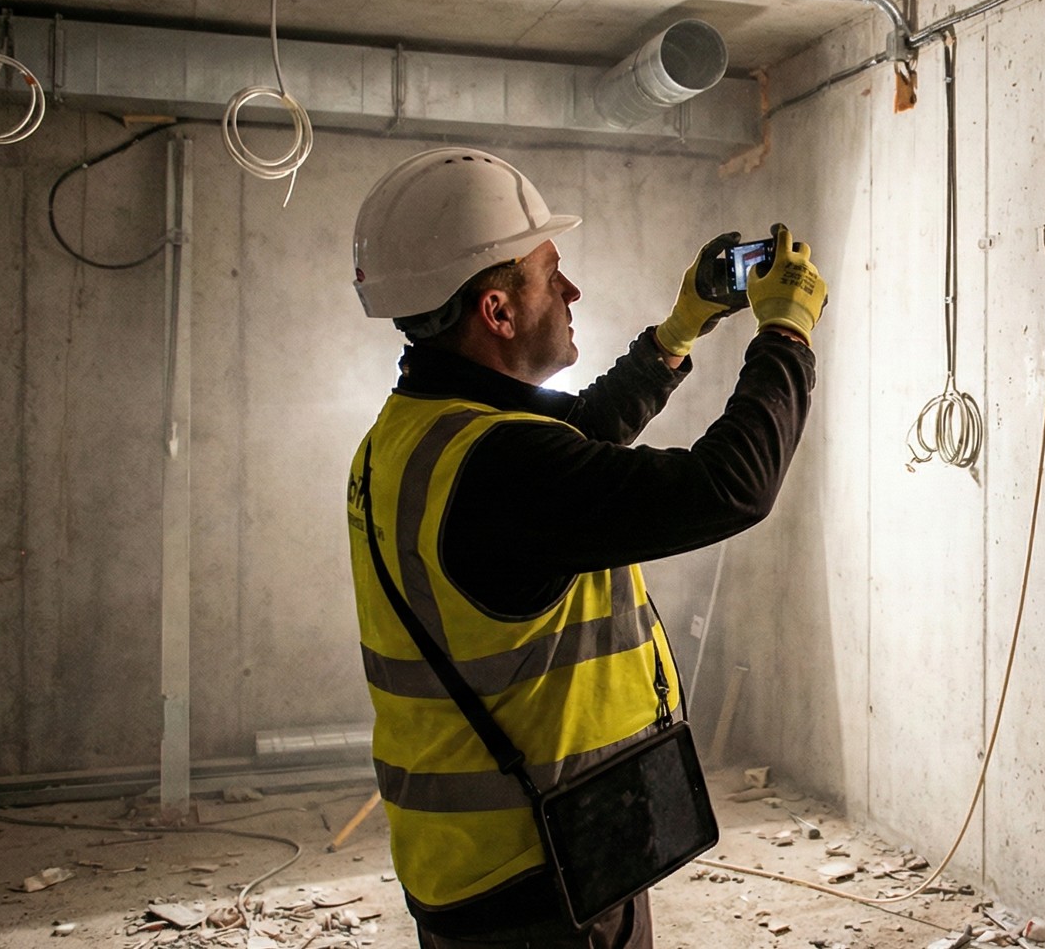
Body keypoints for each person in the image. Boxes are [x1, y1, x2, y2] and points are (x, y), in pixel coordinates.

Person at [342, 146, 826, 949]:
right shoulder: (503, 465)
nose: (571, 292)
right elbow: (727, 487)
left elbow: (570, 446)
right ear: (497, 310)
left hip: (472, 862)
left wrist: (677, 333)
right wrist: (786, 334)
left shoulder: (416, 433)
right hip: (540, 875)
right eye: (550, 273)